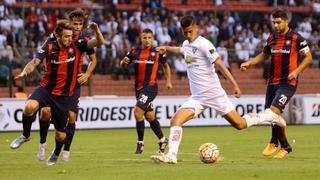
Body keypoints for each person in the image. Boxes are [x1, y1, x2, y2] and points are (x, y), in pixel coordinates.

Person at [150, 15, 286, 164]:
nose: (188, 35)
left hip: (214, 94)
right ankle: (172, 156)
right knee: (176, 120)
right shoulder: (186, 44)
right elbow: (181, 50)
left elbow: (220, 65)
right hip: (197, 97)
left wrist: (235, 85)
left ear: (195, 28)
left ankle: (268, 116)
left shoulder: (204, 44)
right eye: (185, 32)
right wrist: (167, 48)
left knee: (239, 124)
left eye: (190, 31)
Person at [10, 20, 105, 166]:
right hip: (46, 89)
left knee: (61, 135)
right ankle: (25, 135)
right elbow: (35, 62)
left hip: (63, 96)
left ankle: (56, 152)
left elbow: (99, 42)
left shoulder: (78, 45)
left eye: (70, 36)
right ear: (58, 36)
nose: (69, 39)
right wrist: (25, 71)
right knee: (29, 107)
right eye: (66, 36)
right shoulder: (49, 47)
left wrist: (97, 30)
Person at [240, 9, 312, 159]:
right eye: (274, 22)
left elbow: (308, 58)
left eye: (279, 22)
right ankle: (285, 146)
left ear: (286, 21)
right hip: (272, 82)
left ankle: (274, 141)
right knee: (271, 114)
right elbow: (264, 55)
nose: (276, 25)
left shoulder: (297, 38)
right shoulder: (272, 37)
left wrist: (297, 71)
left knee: (273, 111)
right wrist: (250, 62)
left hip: (288, 83)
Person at [36, 9, 98, 162]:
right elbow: (44, 49)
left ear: (83, 26)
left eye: (80, 24)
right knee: (45, 112)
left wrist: (87, 74)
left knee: (71, 116)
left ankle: (66, 150)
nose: (77, 27)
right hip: (55, 82)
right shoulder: (58, 35)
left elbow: (93, 60)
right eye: (74, 24)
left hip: (73, 83)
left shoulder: (84, 39)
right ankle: (42, 144)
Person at [120, 28, 172, 154]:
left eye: (149, 38)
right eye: (145, 38)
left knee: (138, 112)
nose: (147, 40)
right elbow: (123, 64)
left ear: (153, 38)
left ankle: (140, 143)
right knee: (149, 115)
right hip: (138, 88)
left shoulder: (158, 51)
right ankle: (162, 139)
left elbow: (166, 66)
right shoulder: (134, 51)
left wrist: (168, 80)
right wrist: (123, 62)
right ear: (141, 38)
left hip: (151, 87)